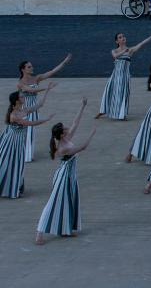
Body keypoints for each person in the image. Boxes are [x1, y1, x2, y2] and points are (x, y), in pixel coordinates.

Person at [34, 97, 95, 245]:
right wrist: (92, 134)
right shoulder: (63, 148)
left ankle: (65, 229)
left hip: (69, 175)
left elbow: (75, 123)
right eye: (65, 129)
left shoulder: (65, 139)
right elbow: (82, 148)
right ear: (61, 134)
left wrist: (82, 106)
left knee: (69, 201)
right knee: (53, 202)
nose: (68, 128)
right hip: (64, 176)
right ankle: (39, 233)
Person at [0, 89, 54, 198]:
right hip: (12, 141)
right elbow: (31, 123)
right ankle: (11, 187)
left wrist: (48, 90)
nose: (24, 98)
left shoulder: (23, 110)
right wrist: (46, 119)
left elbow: (39, 105)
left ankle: (14, 185)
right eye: (21, 97)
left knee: (17, 163)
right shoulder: (14, 115)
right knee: (12, 163)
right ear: (16, 101)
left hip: (19, 141)